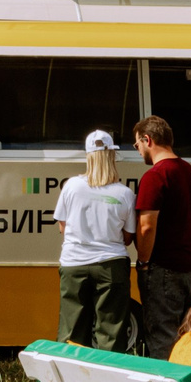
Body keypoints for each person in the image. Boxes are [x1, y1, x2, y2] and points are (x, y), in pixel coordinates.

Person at [54, 129, 137, 351]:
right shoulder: (125, 194)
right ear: (111, 156)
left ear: (88, 156)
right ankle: (108, 372)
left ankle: (70, 371)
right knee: (111, 333)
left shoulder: (71, 186)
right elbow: (128, 238)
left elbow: (63, 227)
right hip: (111, 265)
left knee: (71, 331)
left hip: (73, 264)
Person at [132, 115, 191, 360]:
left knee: (162, 337)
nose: (137, 150)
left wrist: (143, 261)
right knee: (183, 336)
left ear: (147, 139)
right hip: (190, 264)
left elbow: (146, 226)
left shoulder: (156, 175)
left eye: (137, 144)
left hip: (163, 267)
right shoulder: (187, 170)